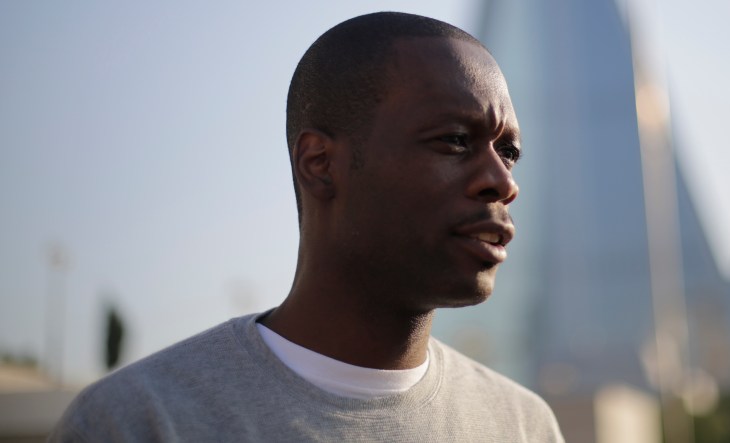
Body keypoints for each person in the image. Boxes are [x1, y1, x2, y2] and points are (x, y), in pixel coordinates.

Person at [50, 12, 564, 442]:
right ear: (319, 163)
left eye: (509, 152)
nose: (503, 182)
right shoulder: (138, 422)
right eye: (454, 140)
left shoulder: (522, 425)